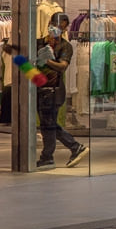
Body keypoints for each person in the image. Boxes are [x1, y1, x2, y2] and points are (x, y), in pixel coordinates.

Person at [35, 21, 88, 168]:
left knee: (49, 124)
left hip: (54, 89)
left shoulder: (66, 46)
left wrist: (47, 60)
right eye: (53, 25)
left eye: (60, 26)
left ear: (65, 29)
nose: (55, 29)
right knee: (48, 124)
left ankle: (54, 154)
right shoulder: (38, 42)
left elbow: (62, 67)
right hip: (40, 87)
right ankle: (65, 150)